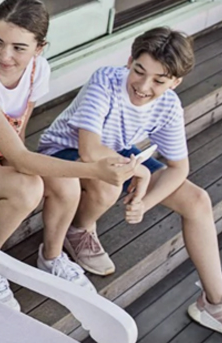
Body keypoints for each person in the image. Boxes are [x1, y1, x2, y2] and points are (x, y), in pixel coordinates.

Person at [0, 0, 138, 309]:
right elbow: (21, 157)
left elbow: (19, 136)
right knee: (30, 186)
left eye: (18, 47)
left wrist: (41, 172)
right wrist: (95, 170)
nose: (4, 55)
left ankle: (51, 257)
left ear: (39, 48)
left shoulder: (39, 70)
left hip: (2, 163)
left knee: (63, 182)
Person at [38, 27, 222, 333]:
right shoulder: (105, 80)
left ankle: (215, 304)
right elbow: (89, 149)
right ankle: (79, 229)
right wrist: (142, 172)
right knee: (110, 179)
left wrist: (145, 202)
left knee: (198, 201)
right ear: (130, 61)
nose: (143, 85)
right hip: (64, 152)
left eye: (159, 80)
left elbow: (179, 167)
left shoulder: (168, 106)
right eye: (139, 71)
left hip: (119, 154)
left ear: (175, 82)